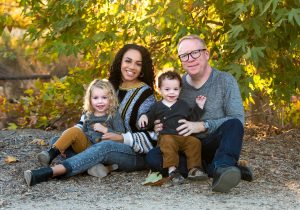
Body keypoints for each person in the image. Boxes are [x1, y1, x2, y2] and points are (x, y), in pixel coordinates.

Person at [24, 44, 157, 186]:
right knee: (60, 140)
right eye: (128, 61)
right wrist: (75, 133)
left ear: (143, 68)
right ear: (120, 62)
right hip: (98, 142)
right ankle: (93, 166)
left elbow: (152, 137)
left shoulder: (146, 94)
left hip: (133, 154)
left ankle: (52, 171)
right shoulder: (111, 87)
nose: (131, 67)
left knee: (104, 147)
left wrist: (121, 137)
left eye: (138, 64)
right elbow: (86, 118)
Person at [146, 34, 253, 193]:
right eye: (184, 56)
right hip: (186, 145)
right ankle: (214, 168)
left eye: (195, 52)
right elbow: (163, 113)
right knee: (153, 157)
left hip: (216, 142)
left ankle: (222, 168)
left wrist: (202, 125)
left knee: (234, 125)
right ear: (180, 60)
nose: (190, 59)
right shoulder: (176, 87)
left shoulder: (225, 81)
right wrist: (159, 125)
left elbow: (237, 118)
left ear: (206, 54)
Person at [36, 79, 125, 170]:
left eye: (104, 97)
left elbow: (122, 136)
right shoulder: (88, 114)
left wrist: (105, 130)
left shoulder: (113, 115)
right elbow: (81, 131)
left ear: (111, 98)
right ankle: (51, 154)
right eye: (95, 98)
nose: (100, 101)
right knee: (57, 140)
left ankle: (88, 165)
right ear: (90, 99)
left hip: (104, 151)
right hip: (87, 146)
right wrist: (67, 138)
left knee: (66, 140)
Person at [138, 71, 208, 184]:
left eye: (175, 89)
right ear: (159, 89)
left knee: (195, 142)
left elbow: (192, 117)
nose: (171, 92)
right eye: (167, 89)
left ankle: (194, 169)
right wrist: (143, 117)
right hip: (167, 137)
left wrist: (199, 106)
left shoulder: (183, 105)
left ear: (180, 89)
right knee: (168, 141)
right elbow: (149, 120)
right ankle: (172, 171)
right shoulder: (156, 106)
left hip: (183, 137)